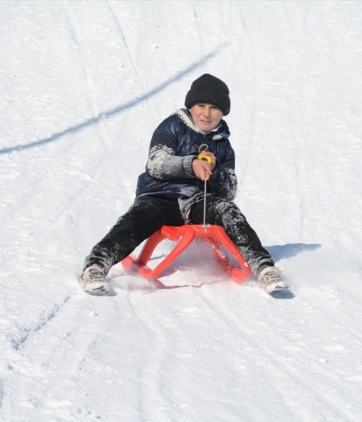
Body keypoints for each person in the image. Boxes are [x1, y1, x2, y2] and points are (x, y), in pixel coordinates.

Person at [80, 73, 287, 295]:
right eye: (201, 105)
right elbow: (155, 163)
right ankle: (96, 265)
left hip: (198, 201)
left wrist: (215, 171)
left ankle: (264, 267)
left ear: (223, 112)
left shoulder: (224, 145)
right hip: (160, 196)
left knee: (228, 211)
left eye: (214, 108)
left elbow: (230, 191)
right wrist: (191, 164)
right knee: (135, 221)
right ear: (191, 106)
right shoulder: (171, 127)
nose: (207, 114)